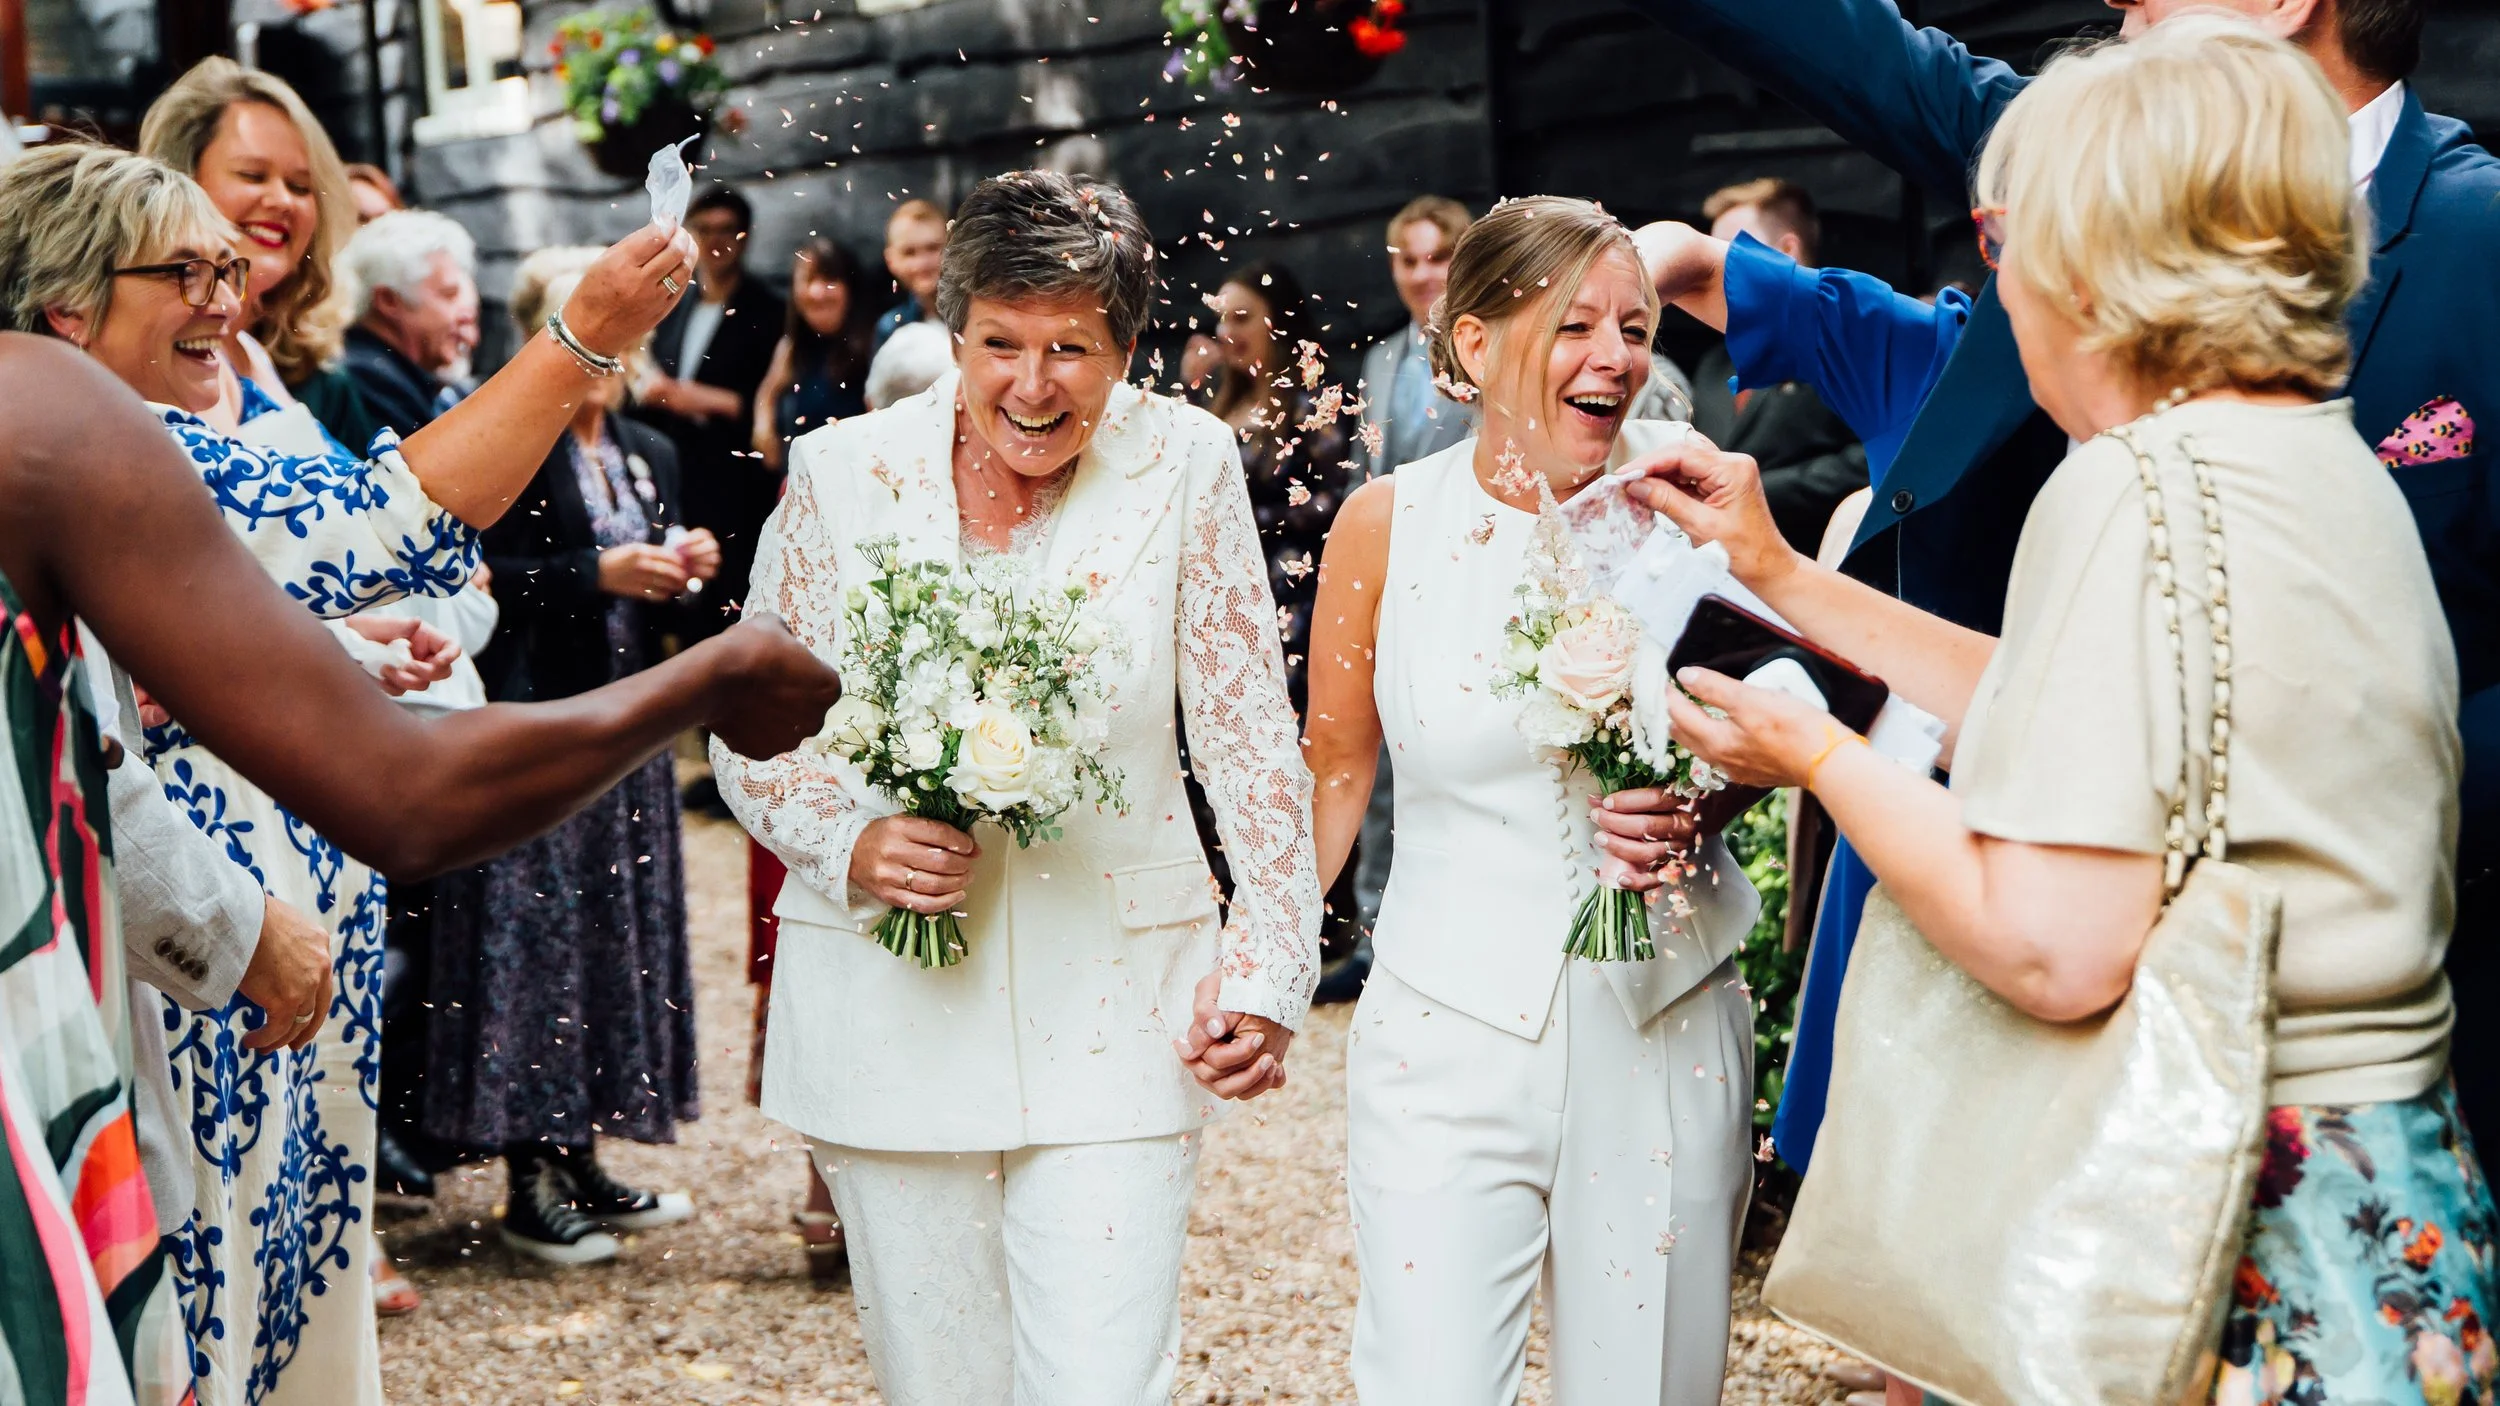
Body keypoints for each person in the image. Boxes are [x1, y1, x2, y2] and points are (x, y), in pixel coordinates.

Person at [1635, 22, 2492, 1397]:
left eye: (2003, 236)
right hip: (2391, 1208)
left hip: (2227, 1233)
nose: (1998, 275)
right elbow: (2065, 695)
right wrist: (1781, 574)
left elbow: (2055, 950)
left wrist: (1817, 754)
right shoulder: (2313, 460)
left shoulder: (2128, 487)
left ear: (2099, 263)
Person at [0, 331, 837, 1406]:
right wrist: (714, 677)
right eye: (179, 271)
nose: (220, 298)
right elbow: (404, 786)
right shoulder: (44, 409)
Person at [713, 171, 1321, 1406]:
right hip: (890, 1001)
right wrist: (853, 838)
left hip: (1120, 998)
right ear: (954, 332)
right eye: (1001, 343)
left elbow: (1250, 731)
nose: (1032, 387)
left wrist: (1268, 966)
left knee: (1104, 1381)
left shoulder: (1187, 461)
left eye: (1071, 350)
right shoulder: (843, 470)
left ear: (1130, 350)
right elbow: (753, 732)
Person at [1300, 196, 1763, 1406]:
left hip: (1664, 1011)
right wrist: (1256, 961)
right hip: (1441, 1024)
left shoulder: (1687, 516)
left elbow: (1761, 736)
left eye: (1635, 324)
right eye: (1575, 325)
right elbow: (1335, 764)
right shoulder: (1385, 523)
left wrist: (1691, 809)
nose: (1615, 355)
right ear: (1471, 346)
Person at [417, 248, 721, 1265]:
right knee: (534, 946)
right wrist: (597, 571)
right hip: (538, 724)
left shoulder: (648, 449)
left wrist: (685, 571)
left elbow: (662, 591)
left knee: (608, 943)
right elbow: (475, 573)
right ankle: (526, 1178)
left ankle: (583, 1152)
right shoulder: (512, 443)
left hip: (629, 737)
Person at [742, 314, 953, 1285]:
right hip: (830, 783)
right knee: (834, 981)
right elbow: (760, 692)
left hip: (941, 796)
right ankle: (837, 1192)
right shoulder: (820, 492)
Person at [139, 57, 383, 454]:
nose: (282, 200)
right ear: (179, 180)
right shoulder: (152, 356)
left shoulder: (275, 363)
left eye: (301, 186)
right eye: (252, 176)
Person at [1686, 179, 1868, 553]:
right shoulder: (1713, 363)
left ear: (1787, 251)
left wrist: (1757, 488)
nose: (1714, 271)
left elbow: (1871, 463)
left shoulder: (1852, 344)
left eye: (1730, 256)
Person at [640, 185, 788, 638]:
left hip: (736, 475)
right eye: (705, 230)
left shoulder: (769, 308)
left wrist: (700, 398)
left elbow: (774, 396)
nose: (716, 240)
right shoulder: (675, 300)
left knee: (732, 593)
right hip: (677, 466)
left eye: (728, 230)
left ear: (746, 236)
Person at [1352, 195, 1477, 480]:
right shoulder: (1377, 359)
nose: (1421, 275)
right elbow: (1360, 474)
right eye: (1409, 261)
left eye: (1438, 258)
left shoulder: (1490, 350)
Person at [338, 208, 479, 435]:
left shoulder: (392, 375)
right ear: (388, 300)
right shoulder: (373, 381)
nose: (466, 315)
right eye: (448, 294)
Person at [753, 235, 873, 471]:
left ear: (850, 288)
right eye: (808, 280)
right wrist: (763, 427)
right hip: (800, 481)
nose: (817, 292)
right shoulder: (792, 347)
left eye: (829, 280)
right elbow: (767, 393)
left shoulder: (872, 345)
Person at [868, 196, 947, 356]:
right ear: (891, 261)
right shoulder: (890, 328)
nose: (922, 264)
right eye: (909, 253)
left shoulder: (977, 315)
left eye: (932, 248)